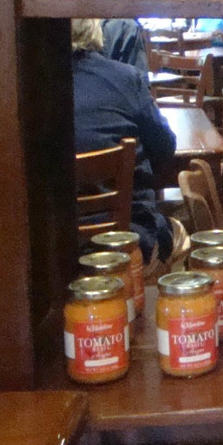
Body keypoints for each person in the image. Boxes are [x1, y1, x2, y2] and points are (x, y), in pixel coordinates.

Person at [71, 18, 184, 273]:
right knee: (180, 222)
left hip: (53, 248)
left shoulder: (32, 86)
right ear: (95, 29)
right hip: (129, 241)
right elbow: (165, 148)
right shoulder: (126, 78)